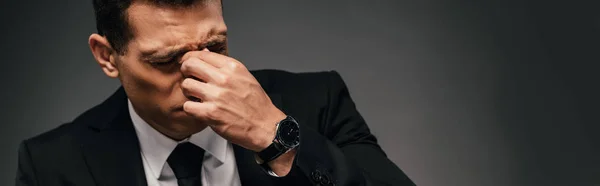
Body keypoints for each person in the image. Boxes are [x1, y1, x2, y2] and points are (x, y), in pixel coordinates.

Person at [15, 0, 415, 185]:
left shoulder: (317, 101)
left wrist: (278, 137)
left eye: (215, 48)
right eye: (166, 60)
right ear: (107, 56)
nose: (198, 75)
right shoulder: (52, 163)